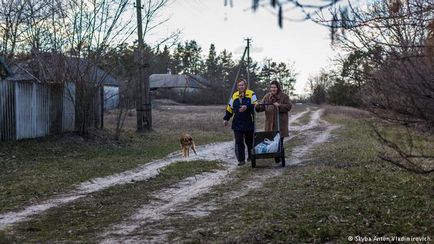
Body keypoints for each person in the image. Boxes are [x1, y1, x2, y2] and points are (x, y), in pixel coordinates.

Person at [255, 80, 292, 163]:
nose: (273, 89)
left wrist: (279, 106)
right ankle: (276, 156)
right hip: (270, 123)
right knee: (272, 141)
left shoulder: (284, 96)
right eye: (271, 87)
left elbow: (289, 106)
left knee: (279, 141)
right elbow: (261, 107)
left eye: (274, 87)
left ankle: (278, 157)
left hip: (280, 123)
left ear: (278, 88)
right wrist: (257, 107)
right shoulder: (267, 97)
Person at [223, 78, 258, 166]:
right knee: (239, 142)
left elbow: (256, 105)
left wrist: (247, 107)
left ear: (245, 85)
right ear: (237, 86)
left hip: (249, 122)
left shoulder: (251, 93)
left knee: (249, 142)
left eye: (242, 85)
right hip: (237, 124)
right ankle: (241, 160)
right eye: (239, 85)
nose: (241, 87)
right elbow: (229, 108)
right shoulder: (234, 95)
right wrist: (226, 119)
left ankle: (250, 157)